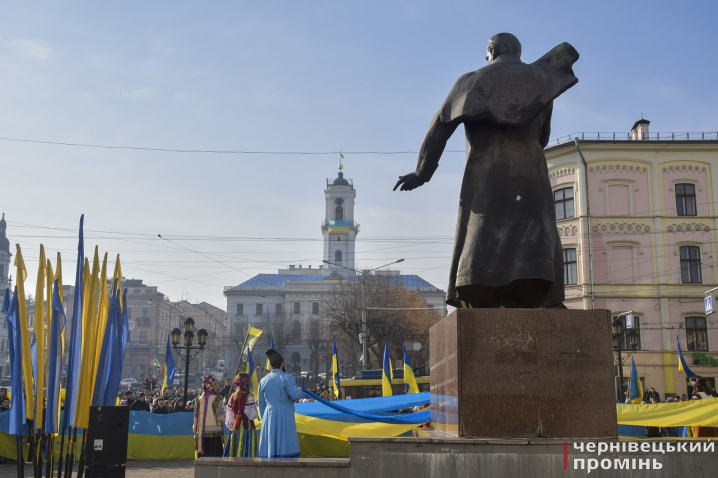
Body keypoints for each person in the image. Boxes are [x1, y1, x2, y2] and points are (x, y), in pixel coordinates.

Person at [393, 33, 579, 309]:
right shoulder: (542, 83)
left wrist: (422, 173)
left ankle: (477, 285)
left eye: (487, 54)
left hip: (486, 173)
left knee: (482, 233)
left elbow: (440, 128)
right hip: (530, 172)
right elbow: (543, 136)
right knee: (535, 234)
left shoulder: (470, 81)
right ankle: (540, 292)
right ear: (516, 51)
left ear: (493, 51)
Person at [258, 348, 305, 458]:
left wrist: (265, 418)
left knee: (271, 442)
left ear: (270, 366)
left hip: (268, 415)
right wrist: (300, 391)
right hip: (284, 414)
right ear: (282, 364)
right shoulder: (286, 378)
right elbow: (295, 395)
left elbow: (261, 404)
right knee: (285, 441)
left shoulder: (263, 381)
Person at [224, 374, 257, 457]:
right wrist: (256, 406)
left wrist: (231, 424)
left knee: (234, 445)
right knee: (247, 445)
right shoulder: (248, 397)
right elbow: (251, 414)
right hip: (247, 425)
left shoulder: (232, 396)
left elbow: (229, 413)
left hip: (235, 425)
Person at [194, 374, 225, 457]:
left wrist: (196, 429)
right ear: (213, 385)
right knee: (214, 457)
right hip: (215, 433)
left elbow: (195, 417)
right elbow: (220, 417)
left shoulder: (198, 399)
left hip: (201, 433)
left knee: (203, 456)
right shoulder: (217, 398)